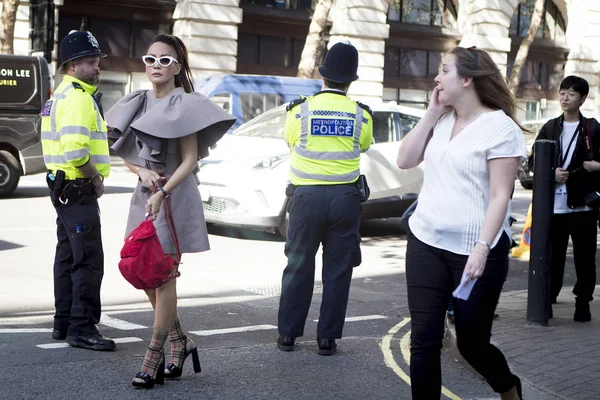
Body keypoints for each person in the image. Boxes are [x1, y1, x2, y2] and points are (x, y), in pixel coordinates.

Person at [396, 46, 527, 400]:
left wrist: (482, 250)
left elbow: (501, 195)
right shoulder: (440, 119)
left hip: (475, 252)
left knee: (471, 343)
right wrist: (430, 113)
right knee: (423, 340)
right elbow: (405, 160)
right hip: (425, 242)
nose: (437, 78)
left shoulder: (500, 128)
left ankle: (509, 387)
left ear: (467, 79)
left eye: (444, 70)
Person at [105, 34, 234, 388]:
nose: (157, 66)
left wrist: (162, 190)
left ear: (177, 67)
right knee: (141, 269)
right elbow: (129, 152)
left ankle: (154, 356)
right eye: (150, 59)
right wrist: (141, 171)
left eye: (165, 60)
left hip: (173, 197)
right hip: (144, 195)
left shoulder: (186, 103)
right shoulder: (138, 100)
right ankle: (180, 340)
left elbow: (190, 160)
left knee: (163, 276)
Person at [276, 41, 373, 356]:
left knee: (298, 265)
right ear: (351, 80)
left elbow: (291, 142)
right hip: (345, 199)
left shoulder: (299, 110)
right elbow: (366, 145)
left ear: (323, 75)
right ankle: (327, 339)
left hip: (306, 198)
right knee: (338, 270)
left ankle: (288, 335)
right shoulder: (362, 115)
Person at [41, 30, 115, 351]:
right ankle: (82, 328)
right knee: (87, 260)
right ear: (72, 66)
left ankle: (64, 322)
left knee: (68, 255)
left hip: (61, 188)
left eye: (97, 60)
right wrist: (95, 178)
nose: (97, 66)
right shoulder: (79, 98)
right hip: (78, 188)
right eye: (90, 61)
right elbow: (76, 153)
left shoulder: (57, 97)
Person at [529, 75, 600, 322]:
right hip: (555, 207)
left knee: (585, 260)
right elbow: (533, 162)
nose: (565, 97)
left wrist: (598, 166)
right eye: (562, 93)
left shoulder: (592, 128)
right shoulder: (550, 127)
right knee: (553, 257)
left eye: (571, 93)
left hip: (583, 207)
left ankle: (583, 304)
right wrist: (551, 172)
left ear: (582, 98)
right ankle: (547, 301)